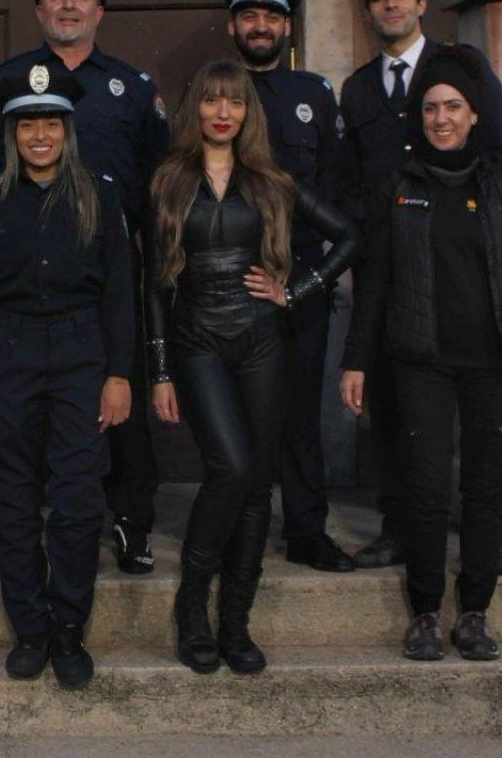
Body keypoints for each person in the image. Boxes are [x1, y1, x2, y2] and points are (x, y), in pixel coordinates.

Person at [339, 45, 502, 662]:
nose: (441, 118)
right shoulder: (396, 188)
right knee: (428, 486)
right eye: (431, 108)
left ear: (474, 115)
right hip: (419, 361)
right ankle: (428, 611)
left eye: (453, 107)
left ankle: (477, 613)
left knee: (484, 489)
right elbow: (374, 281)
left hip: (492, 363)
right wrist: (355, 360)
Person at [146, 60, 358, 675]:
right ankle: (192, 610)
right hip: (197, 341)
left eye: (233, 103)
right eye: (211, 101)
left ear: (247, 113)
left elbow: (349, 236)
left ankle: (234, 622)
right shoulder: (168, 180)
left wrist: (298, 287)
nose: (221, 112)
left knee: (257, 478)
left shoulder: (271, 179)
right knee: (231, 466)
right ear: (196, 111)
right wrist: (159, 370)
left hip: (264, 341)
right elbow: (153, 285)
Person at [0, 0, 169, 575]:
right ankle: (26, 537)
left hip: (103, 269)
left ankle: (131, 524)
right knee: (23, 423)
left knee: (117, 397)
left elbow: (158, 176)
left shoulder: (131, 87)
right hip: (25, 266)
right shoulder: (4, 82)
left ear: (99, 8)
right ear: (38, 8)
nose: (68, 4)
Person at [335, 0, 502, 576]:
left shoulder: (460, 70)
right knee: (396, 407)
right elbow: (356, 184)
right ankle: (400, 524)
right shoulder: (360, 88)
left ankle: (500, 529)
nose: (391, 4)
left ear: (422, 2)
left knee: (485, 410)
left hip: (463, 266)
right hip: (393, 273)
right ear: (368, 8)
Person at [0, 61, 134, 689]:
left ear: (67, 129)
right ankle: (29, 630)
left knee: (79, 501)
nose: (39, 134)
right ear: (12, 132)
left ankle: (68, 629)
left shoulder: (100, 195)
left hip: (82, 353)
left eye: (50, 121)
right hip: (8, 355)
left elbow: (118, 292)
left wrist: (120, 374)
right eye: (27, 122)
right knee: (15, 502)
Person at [222, 0, 355, 573]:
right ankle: (232, 529)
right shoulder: (215, 94)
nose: (260, 25)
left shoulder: (313, 96)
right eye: (250, 15)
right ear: (232, 25)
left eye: (271, 15)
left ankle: (306, 530)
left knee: (301, 415)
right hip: (232, 280)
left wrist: (305, 283)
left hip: (298, 279)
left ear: (286, 25)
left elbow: (334, 193)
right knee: (233, 414)